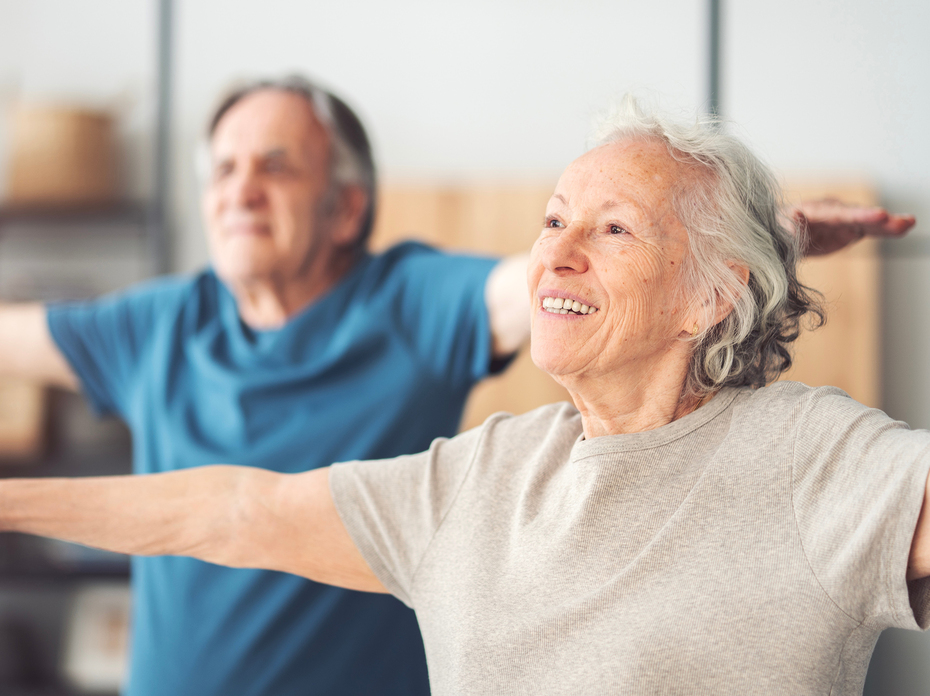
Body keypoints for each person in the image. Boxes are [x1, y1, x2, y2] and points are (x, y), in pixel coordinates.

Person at [0, 82, 914, 696]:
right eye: (552, 221)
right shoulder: (484, 477)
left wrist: (767, 238)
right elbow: (236, 508)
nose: (552, 251)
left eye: (612, 229)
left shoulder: (811, 457)